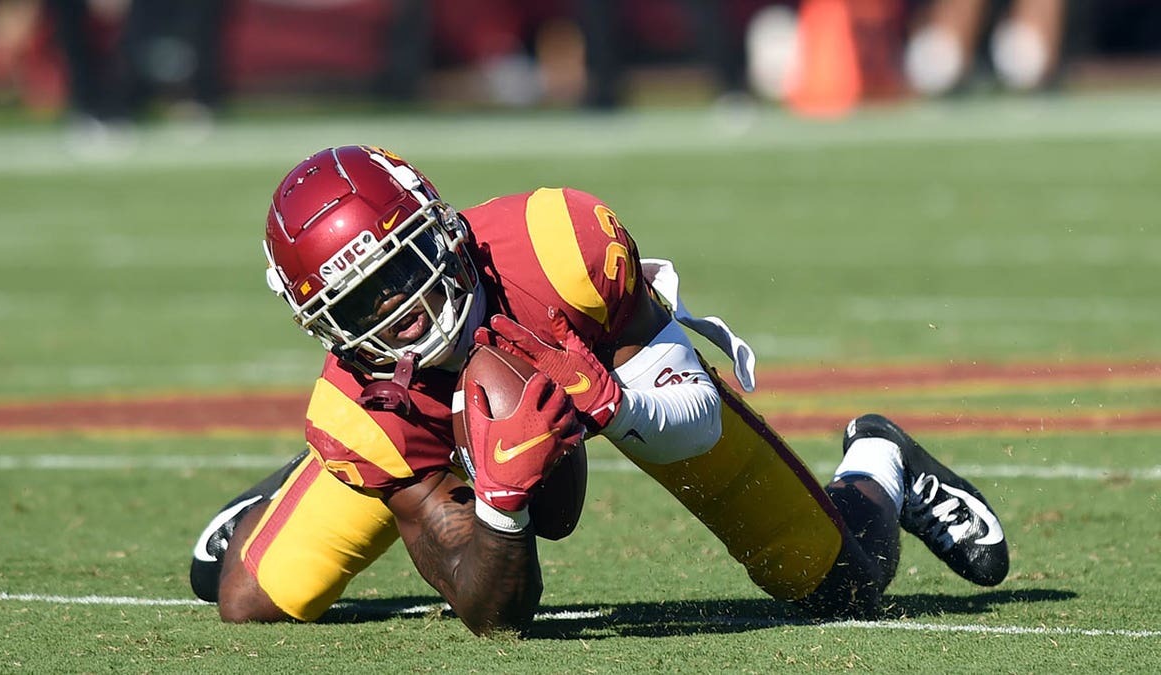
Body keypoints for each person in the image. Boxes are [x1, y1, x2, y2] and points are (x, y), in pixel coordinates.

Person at [189, 145, 1009, 636]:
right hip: (425, 433)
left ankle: (880, 456)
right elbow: (494, 615)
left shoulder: (557, 243)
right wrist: (501, 507)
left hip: (614, 386)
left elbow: (687, 419)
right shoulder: (360, 397)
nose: (397, 314)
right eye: (358, 304)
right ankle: (315, 477)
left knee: (841, 584)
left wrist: (609, 403)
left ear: (437, 226)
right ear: (321, 325)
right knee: (247, 597)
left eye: (399, 272)